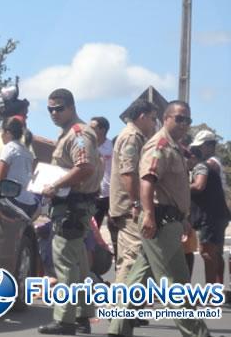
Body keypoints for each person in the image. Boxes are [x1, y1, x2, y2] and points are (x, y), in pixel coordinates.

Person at [108, 101, 210, 337]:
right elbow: (147, 181)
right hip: (160, 222)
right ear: (166, 118)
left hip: (170, 222)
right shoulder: (160, 144)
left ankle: (117, 329)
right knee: (173, 287)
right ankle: (197, 334)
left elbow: (173, 189)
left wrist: (182, 218)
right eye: (179, 118)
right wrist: (149, 216)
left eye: (188, 120)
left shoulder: (174, 146)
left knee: (142, 279)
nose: (184, 124)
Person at [38, 88, 102, 335]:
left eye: (59, 108)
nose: (54, 113)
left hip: (73, 206)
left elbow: (84, 167)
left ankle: (65, 320)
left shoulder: (77, 133)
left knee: (65, 262)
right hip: (73, 205)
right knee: (78, 264)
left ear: (72, 107)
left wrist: (55, 185)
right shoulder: (68, 133)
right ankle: (82, 316)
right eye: (50, 109)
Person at [108, 99, 158, 285]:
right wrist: (137, 203)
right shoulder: (132, 137)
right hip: (130, 208)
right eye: (152, 119)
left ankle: (127, 310)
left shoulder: (133, 136)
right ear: (142, 117)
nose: (154, 124)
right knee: (133, 258)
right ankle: (123, 311)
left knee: (131, 258)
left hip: (128, 206)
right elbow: (128, 172)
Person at [188, 144, 230, 284]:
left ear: (193, 157)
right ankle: (217, 289)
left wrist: (180, 187)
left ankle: (211, 294)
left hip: (210, 217)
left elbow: (199, 186)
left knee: (207, 253)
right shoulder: (210, 168)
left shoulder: (200, 167)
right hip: (219, 215)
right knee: (216, 253)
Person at [0, 117, 37, 217]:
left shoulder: (9, 148)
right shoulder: (28, 152)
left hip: (13, 200)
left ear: (7, 132)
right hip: (29, 202)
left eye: (1, 132)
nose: (1, 136)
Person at [89, 117, 113, 228]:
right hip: (94, 193)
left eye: (92, 128)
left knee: (114, 226)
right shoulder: (88, 147)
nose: (89, 130)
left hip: (111, 193)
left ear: (102, 130)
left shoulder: (112, 146)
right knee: (93, 227)